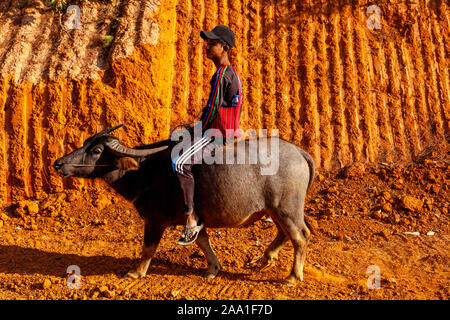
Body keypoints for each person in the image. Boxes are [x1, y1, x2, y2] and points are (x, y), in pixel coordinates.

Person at [173, 25, 243, 246]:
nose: (207, 46)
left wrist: (198, 129)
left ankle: (191, 218)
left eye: (212, 43)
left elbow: (212, 107)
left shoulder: (222, 74)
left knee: (179, 162)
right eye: (208, 42)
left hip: (217, 135)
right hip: (228, 131)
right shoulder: (232, 73)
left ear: (224, 48)